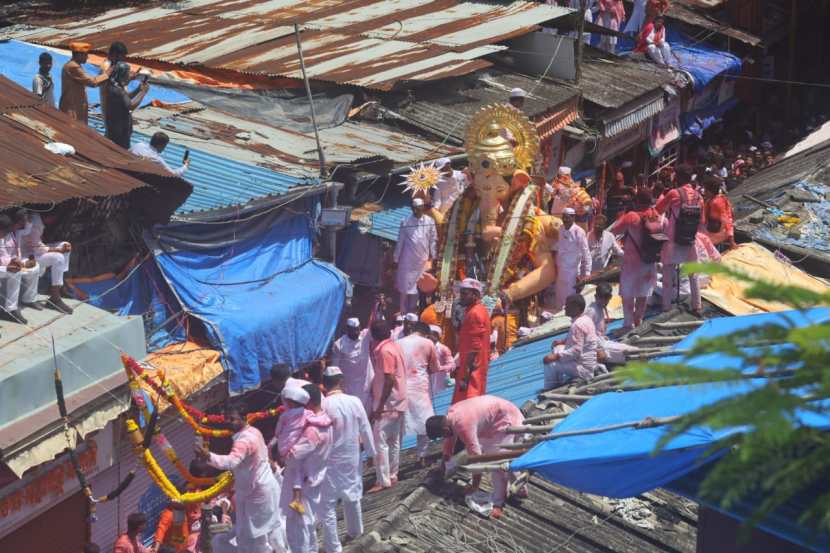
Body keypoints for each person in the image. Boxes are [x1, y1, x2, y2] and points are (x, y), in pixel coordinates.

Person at [196, 402, 281, 553]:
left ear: (243, 418)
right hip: (260, 488)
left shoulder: (243, 441)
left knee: (254, 537)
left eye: (233, 419)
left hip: (256, 492)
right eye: (227, 419)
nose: (229, 422)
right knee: (258, 534)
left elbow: (230, 462)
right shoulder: (254, 431)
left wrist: (208, 456)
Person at [426, 395, 527, 520]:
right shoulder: (451, 416)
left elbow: (477, 460)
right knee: (504, 458)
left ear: (445, 429)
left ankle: (498, 503)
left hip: (505, 419)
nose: (443, 437)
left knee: (497, 463)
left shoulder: (463, 424)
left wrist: (474, 486)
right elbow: (449, 444)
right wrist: (442, 467)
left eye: (442, 435)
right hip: (497, 419)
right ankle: (520, 489)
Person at [320, 366, 376, 553]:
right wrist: (371, 454)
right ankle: (356, 532)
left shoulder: (323, 405)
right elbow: (366, 429)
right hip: (351, 456)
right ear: (341, 381)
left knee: (327, 504)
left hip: (328, 460)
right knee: (352, 496)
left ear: (325, 384)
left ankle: (333, 546)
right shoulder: (354, 401)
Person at [281, 384, 333, 553]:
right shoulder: (326, 421)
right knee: (308, 522)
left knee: (301, 524)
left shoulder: (312, 430)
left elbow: (293, 455)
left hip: (304, 481)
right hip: (317, 475)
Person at [608, 189, 663, 330]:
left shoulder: (631, 216)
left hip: (632, 264)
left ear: (636, 202)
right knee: (643, 294)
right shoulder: (657, 215)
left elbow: (614, 230)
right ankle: (638, 321)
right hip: (650, 262)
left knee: (628, 294)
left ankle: (628, 324)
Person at [655, 165, 704, 314]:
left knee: (668, 272)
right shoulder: (698, 196)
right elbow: (702, 221)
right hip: (690, 237)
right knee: (693, 274)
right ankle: (697, 306)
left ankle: (666, 307)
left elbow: (659, 210)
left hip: (673, 238)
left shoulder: (673, 193)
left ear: (678, 177)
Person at [367, 319, 408, 492]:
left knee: (381, 442)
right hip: (398, 401)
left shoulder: (385, 351)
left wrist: (380, 405)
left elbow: (389, 378)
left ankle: (383, 480)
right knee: (394, 440)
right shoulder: (395, 347)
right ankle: (392, 475)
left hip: (388, 403)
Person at [397, 322, 440, 465]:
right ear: (426, 333)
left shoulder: (398, 343)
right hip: (419, 387)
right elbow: (435, 368)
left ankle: (394, 464)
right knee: (425, 422)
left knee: (399, 428)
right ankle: (421, 456)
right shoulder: (428, 343)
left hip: (400, 387)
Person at [17, 209, 73, 314]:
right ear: (50, 216)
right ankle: (55, 297)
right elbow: (37, 247)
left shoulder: (37, 218)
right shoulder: (35, 223)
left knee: (65, 244)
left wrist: (60, 248)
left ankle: (59, 285)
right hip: (26, 255)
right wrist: (58, 250)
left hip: (34, 251)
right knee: (58, 257)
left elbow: (39, 245)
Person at [543, 294, 599, 387]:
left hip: (583, 369)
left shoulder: (577, 325)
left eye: (568, 305)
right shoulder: (586, 319)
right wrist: (562, 342)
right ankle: (558, 379)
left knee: (550, 364)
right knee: (558, 347)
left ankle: (550, 388)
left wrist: (555, 357)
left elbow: (576, 351)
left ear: (576, 308)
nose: (565, 307)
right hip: (587, 364)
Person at [394, 198, 437, 314]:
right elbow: (400, 240)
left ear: (423, 208)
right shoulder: (405, 221)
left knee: (417, 286)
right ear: (412, 209)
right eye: (415, 209)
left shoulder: (430, 221)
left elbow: (433, 239)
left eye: (419, 208)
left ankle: (412, 312)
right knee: (404, 286)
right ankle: (402, 311)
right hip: (407, 259)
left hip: (422, 260)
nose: (417, 211)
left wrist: (433, 256)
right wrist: (396, 257)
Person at [452, 278, 490, 404]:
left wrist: (465, 376)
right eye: (461, 293)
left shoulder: (475, 313)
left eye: (465, 293)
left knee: (467, 404)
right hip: (471, 367)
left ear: (475, 295)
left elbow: (475, 347)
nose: (461, 297)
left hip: (472, 370)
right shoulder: (478, 310)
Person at [329, 317, 373, 415]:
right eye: (354, 330)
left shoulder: (365, 336)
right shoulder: (339, 344)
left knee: (367, 412)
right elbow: (335, 367)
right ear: (347, 329)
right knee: (353, 412)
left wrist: (379, 307)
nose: (357, 332)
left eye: (358, 329)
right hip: (349, 386)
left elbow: (375, 323)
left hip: (366, 383)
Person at [0, 214, 39, 324]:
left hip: (4, 266)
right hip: (3, 265)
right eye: (3, 232)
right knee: (15, 270)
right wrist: (11, 264)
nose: (4, 235)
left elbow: (6, 255)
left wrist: (17, 262)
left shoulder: (5, 236)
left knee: (17, 271)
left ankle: (11, 309)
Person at [587, 282, 639, 364]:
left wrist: (602, 336)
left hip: (602, 342)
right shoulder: (592, 311)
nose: (603, 301)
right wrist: (598, 349)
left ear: (610, 298)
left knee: (635, 351)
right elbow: (586, 333)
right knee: (633, 353)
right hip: (596, 346)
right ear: (596, 297)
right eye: (601, 298)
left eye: (606, 298)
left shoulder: (600, 308)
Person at [59, 42, 109, 124]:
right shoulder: (73, 67)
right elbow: (92, 82)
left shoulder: (75, 65)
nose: (87, 57)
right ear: (79, 55)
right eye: (85, 54)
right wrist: (107, 74)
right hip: (72, 110)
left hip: (77, 108)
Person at [554, 208, 591, 312]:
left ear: (573, 217)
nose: (565, 219)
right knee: (559, 298)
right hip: (561, 270)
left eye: (567, 217)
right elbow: (560, 245)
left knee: (569, 299)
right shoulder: (561, 229)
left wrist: (587, 272)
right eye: (564, 217)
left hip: (572, 272)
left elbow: (586, 253)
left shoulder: (579, 232)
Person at [105, 61, 149, 149]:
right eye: (128, 73)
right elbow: (130, 106)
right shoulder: (118, 90)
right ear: (123, 75)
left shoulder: (116, 87)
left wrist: (138, 90)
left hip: (117, 129)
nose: (130, 76)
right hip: (119, 132)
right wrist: (143, 93)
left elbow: (126, 98)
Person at [702, 176, 736, 248]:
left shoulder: (716, 202)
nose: (704, 192)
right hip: (714, 234)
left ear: (709, 191)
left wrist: (731, 241)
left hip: (716, 235)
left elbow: (727, 220)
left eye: (705, 190)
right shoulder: (713, 200)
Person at [100, 41, 129, 122]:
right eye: (122, 56)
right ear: (115, 55)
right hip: (110, 105)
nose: (123, 59)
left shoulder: (117, 66)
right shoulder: (107, 66)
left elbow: (123, 84)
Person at [428, 324, 455, 395]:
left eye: (434, 334)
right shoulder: (423, 348)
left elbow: (452, 365)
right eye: (429, 334)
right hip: (427, 383)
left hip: (440, 383)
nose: (431, 337)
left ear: (438, 336)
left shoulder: (443, 349)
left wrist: (439, 368)